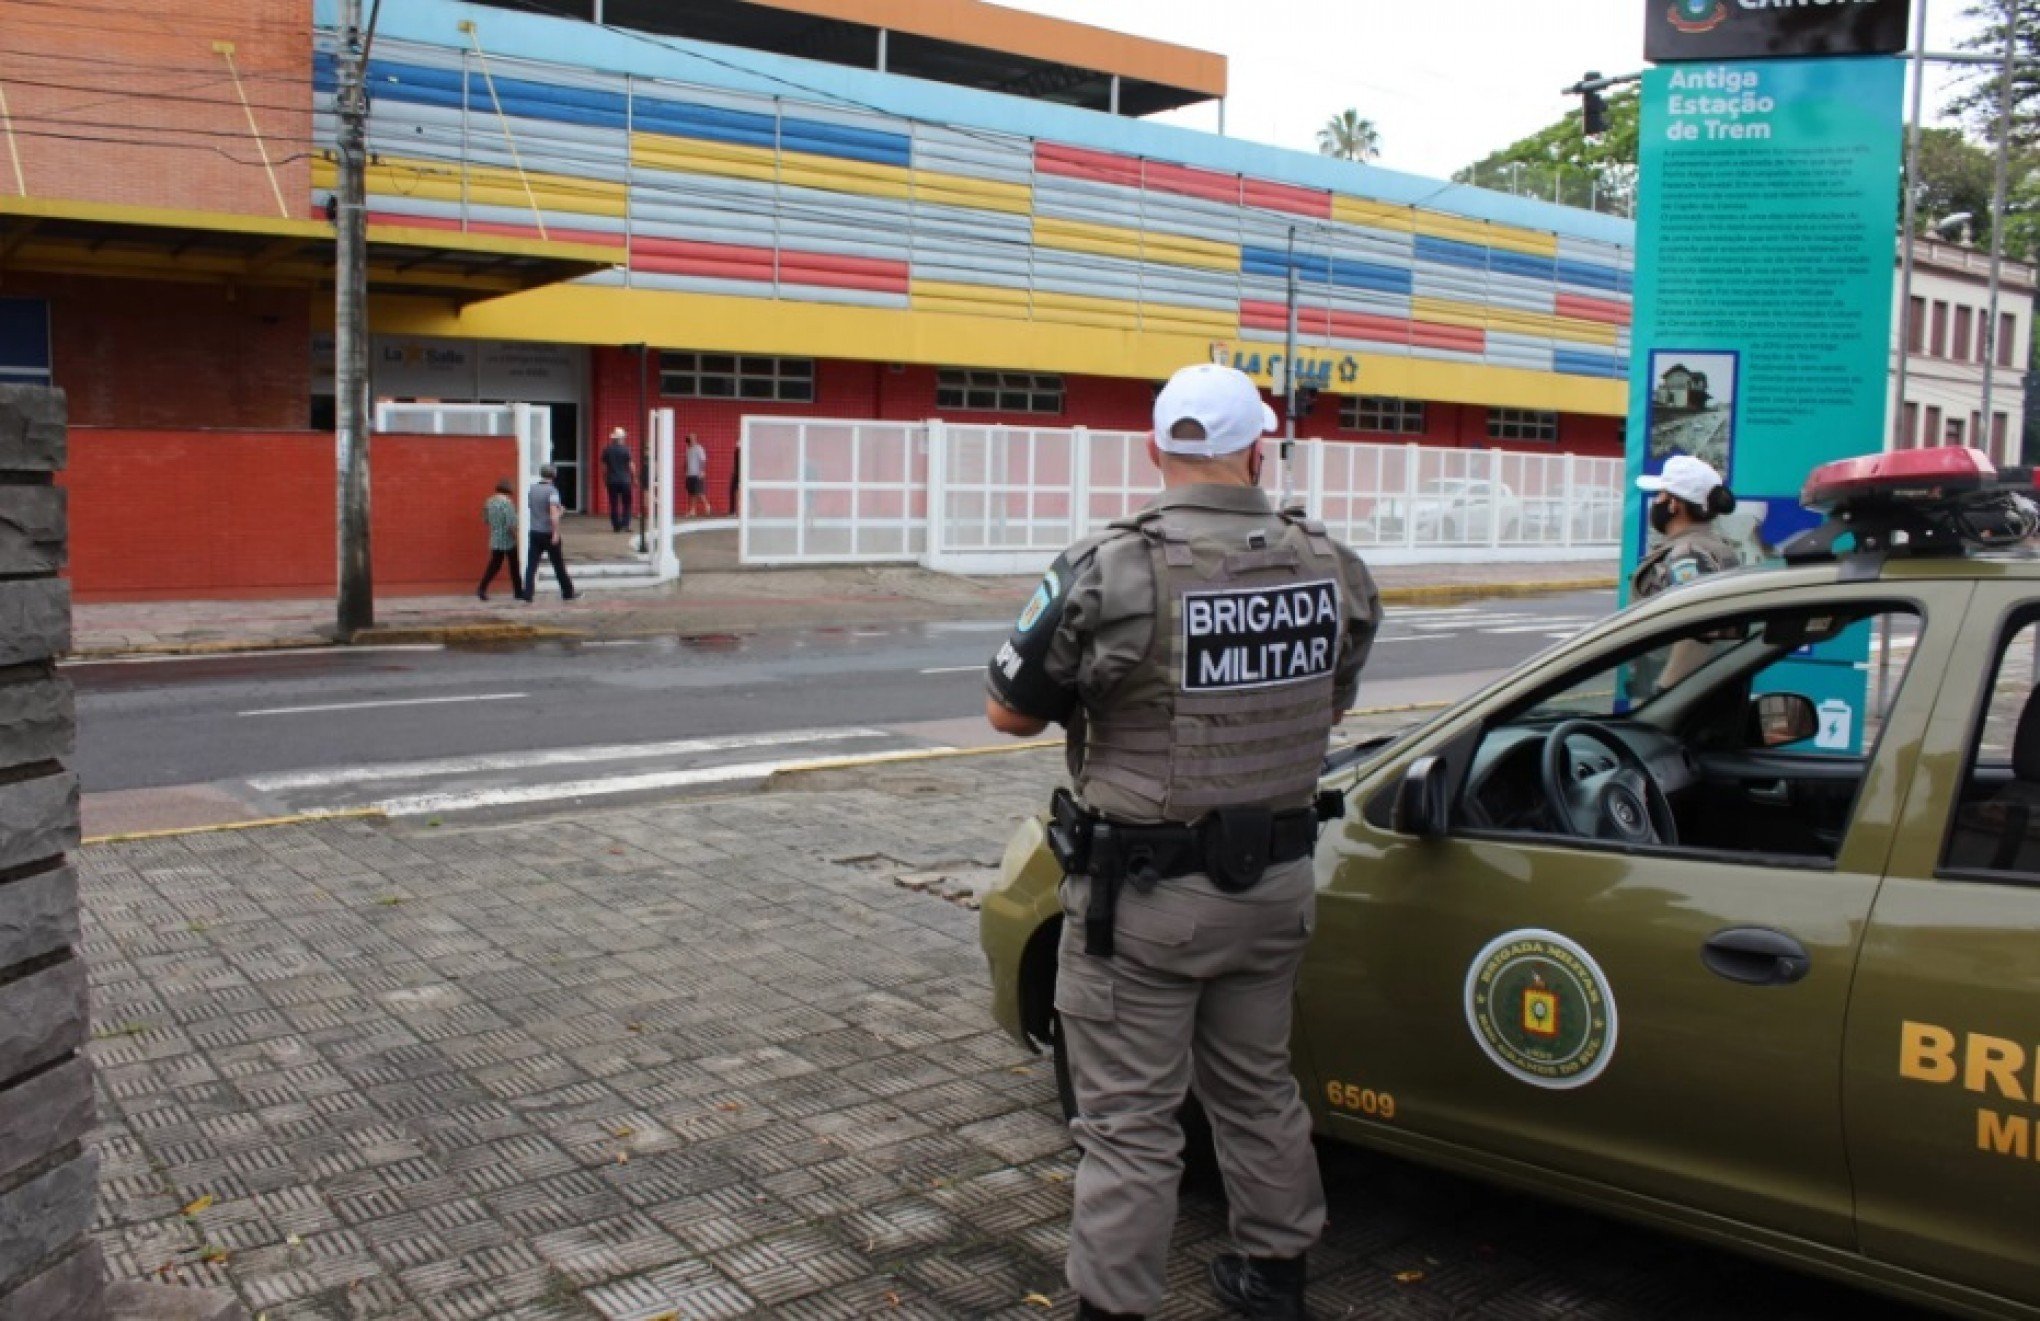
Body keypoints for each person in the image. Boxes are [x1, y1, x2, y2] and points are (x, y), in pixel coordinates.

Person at [983, 363, 1381, 1321]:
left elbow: (1007, 711)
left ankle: (1112, 1308)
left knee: (1127, 1125)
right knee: (1257, 1088)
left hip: (1147, 904)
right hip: (1275, 884)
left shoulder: (1108, 568)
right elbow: (1331, 700)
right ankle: (1274, 1279)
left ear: (1157, 449)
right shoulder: (1332, 565)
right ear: (1259, 446)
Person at [1631, 454, 1738, 600]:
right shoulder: (1712, 547)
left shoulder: (1687, 556)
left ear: (1673, 504)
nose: (1655, 502)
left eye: (1660, 494)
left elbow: (1686, 617)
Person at [522, 464, 577, 602]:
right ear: (554, 475)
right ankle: (567, 592)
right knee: (558, 564)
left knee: (532, 564)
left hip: (535, 531)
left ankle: (528, 593)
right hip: (547, 532)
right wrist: (556, 532)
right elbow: (553, 514)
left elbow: (531, 507)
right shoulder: (552, 491)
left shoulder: (532, 489)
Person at [477, 477, 524, 602]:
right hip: (508, 540)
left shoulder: (489, 502)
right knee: (514, 566)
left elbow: (485, 520)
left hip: (495, 538)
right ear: (508, 490)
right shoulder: (507, 504)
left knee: (494, 565)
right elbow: (511, 524)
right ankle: (518, 592)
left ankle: (482, 588)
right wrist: (517, 537)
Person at [602, 426, 636, 533]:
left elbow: (604, 468)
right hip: (625, 480)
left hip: (612, 480)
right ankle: (625, 524)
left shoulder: (607, 450)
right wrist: (634, 478)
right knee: (627, 503)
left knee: (614, 504)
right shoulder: (626, 450)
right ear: (621, 438)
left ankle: (616, 526)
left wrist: (605, 479)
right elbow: (631, 466)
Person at [684, 434, 710, 517]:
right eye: (689, 438)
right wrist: (686, 471)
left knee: (699, 492)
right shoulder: (688, 449)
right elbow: (687, 461)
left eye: (691, 438)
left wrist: (702, 471)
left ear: (694, 439)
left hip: (697, 474)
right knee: (691, 493)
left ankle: (707, 506)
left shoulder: (699, 448)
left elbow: (703, 460)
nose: (689, 440)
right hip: (690, 474)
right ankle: (692, 510)